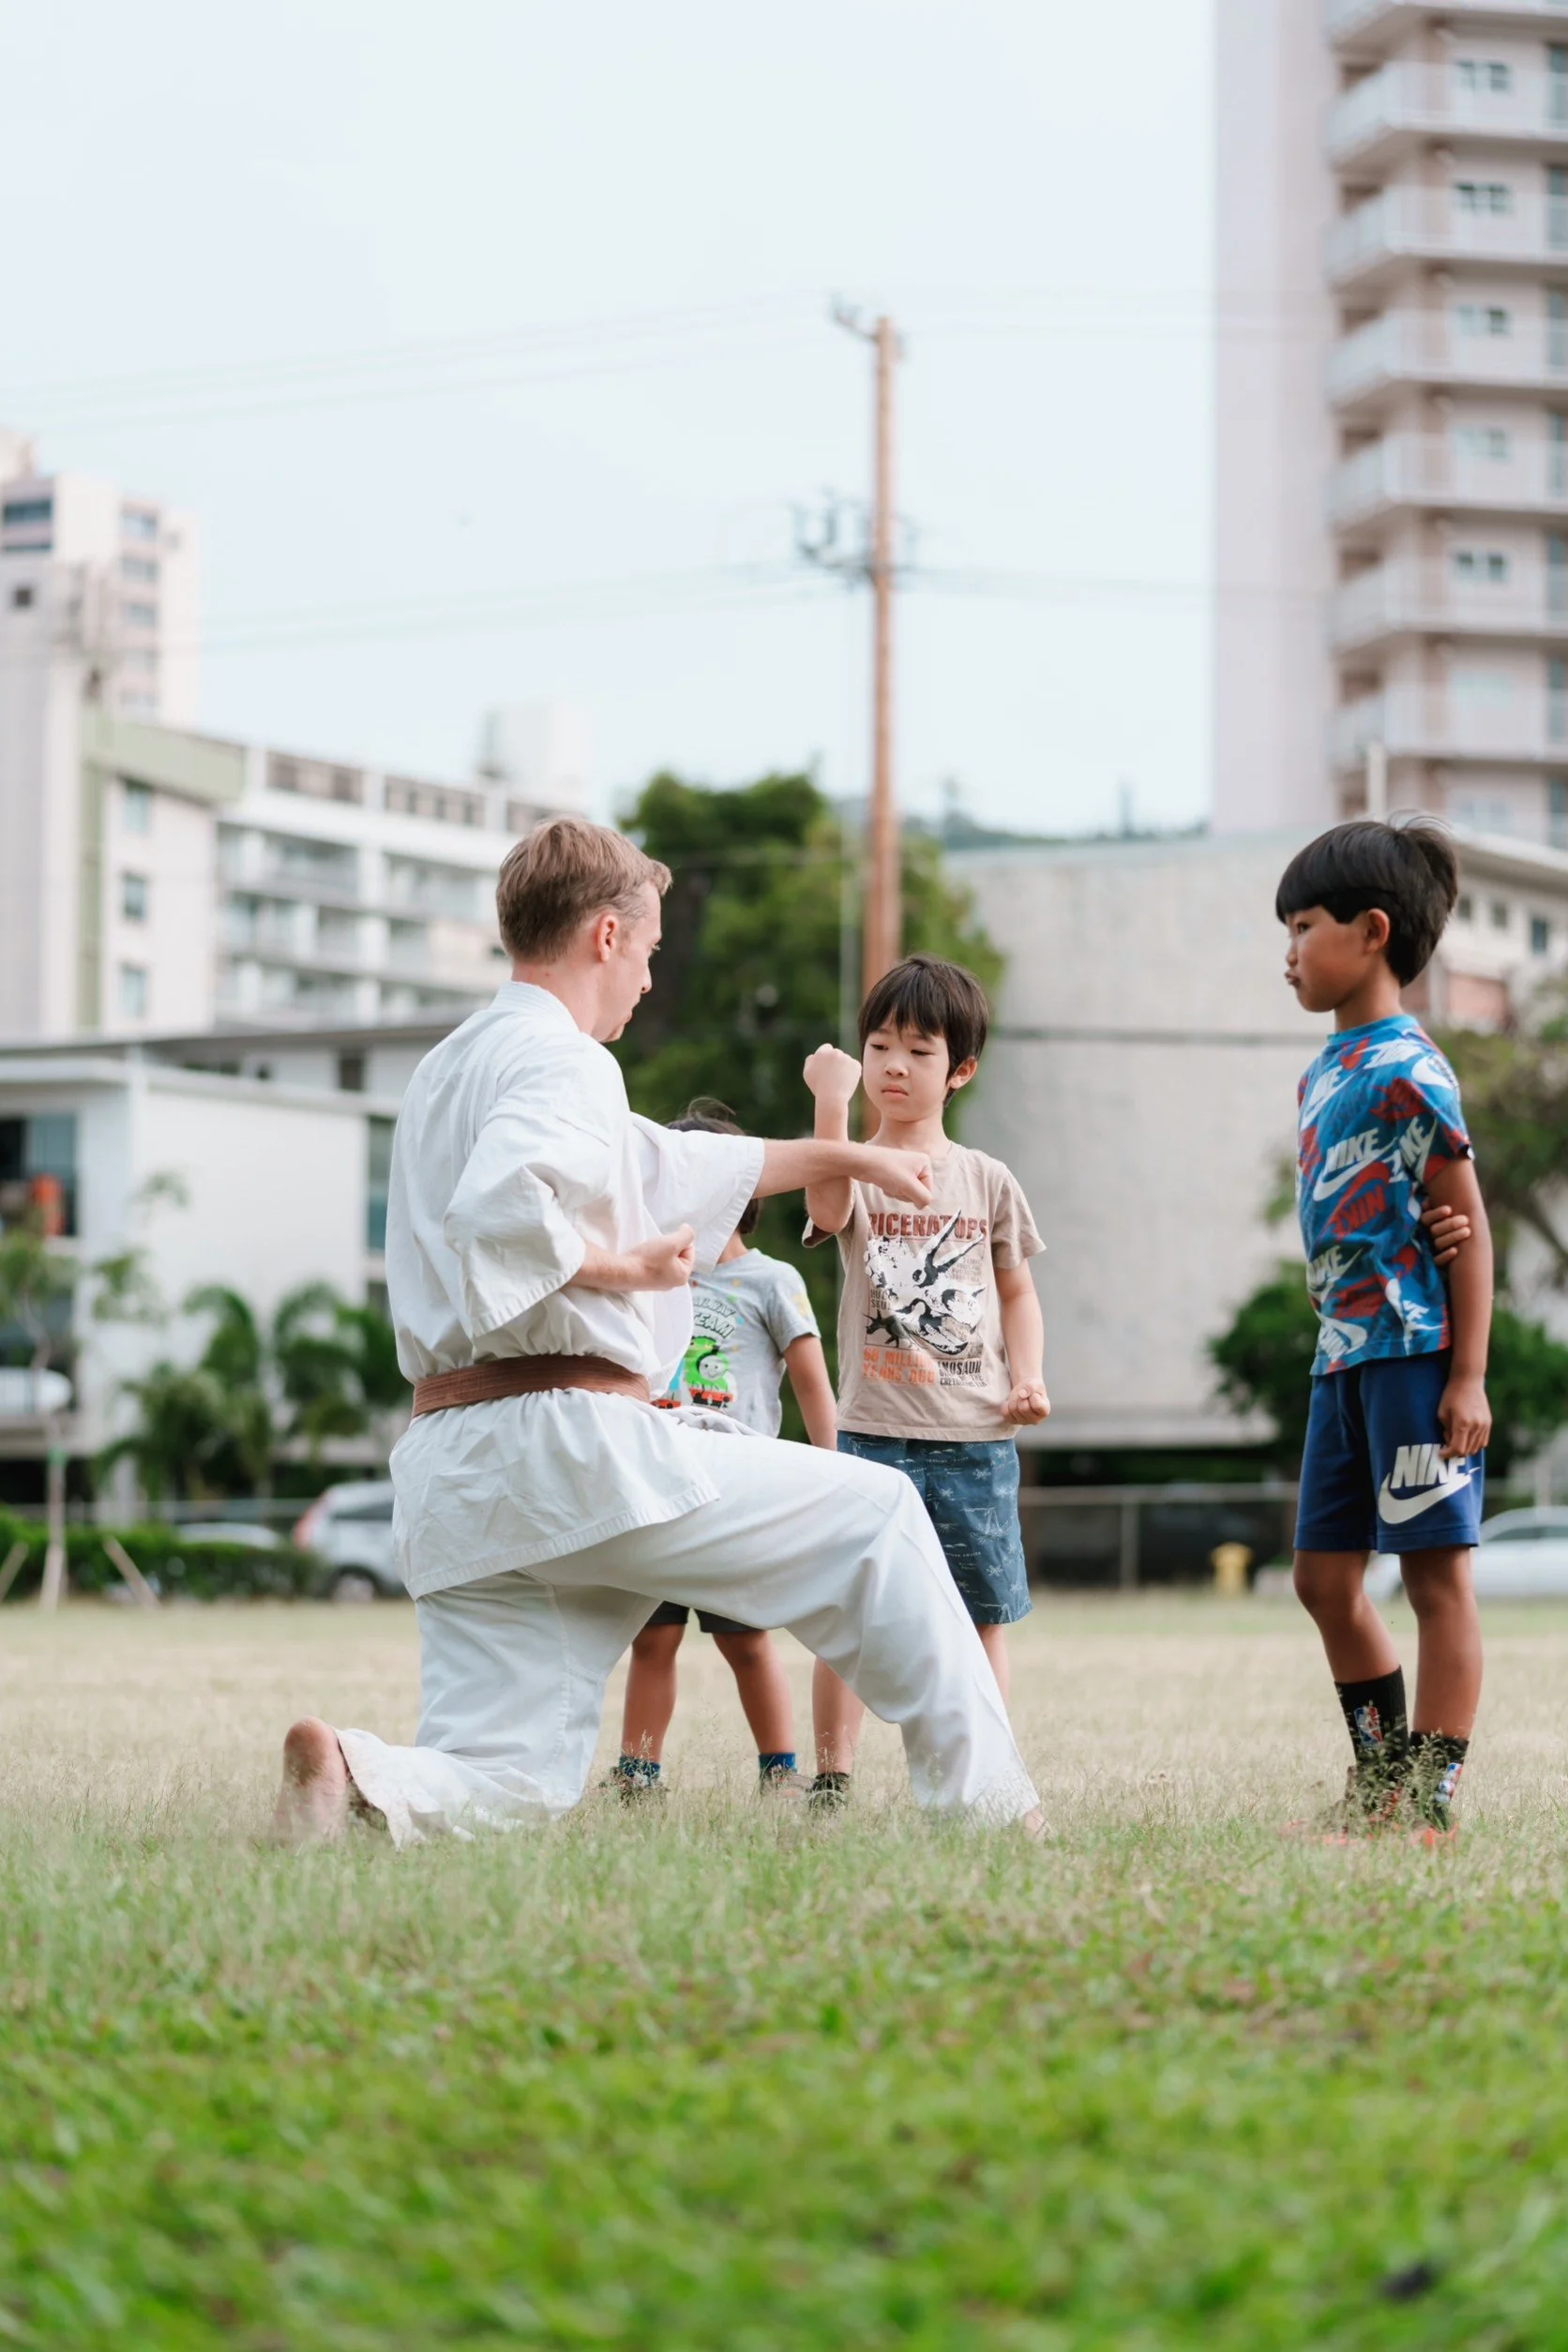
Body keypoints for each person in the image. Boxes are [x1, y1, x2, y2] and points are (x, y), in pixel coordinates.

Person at [270, 819, 1041, 1845]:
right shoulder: (565, 1063)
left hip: (458, 1475)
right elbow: (499, 1213)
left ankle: (358, 1778)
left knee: (510, 1772)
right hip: (568, 1447)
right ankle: (990, 1816)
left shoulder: (453, 1067)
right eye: (647, 951)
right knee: (880, 1516)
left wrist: (846, 1162)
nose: (645, 977)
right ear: (602, 935)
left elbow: (668, 1169)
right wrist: (617, 1268)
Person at [1278, 818, 1493, 1839]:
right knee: (1321, 1579)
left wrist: (1469, 1379)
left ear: (1370, 932)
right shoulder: (1322, 1069)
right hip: (1341, 1362)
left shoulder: (1413, 1068)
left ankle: (1429, 1799)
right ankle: (1378, 1785)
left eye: (1302, 926)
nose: (1286, 951)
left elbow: (1471, 1227)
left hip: (1414, 1357)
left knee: (1432, 1579)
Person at [801, 954, 1049, 1810]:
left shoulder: (986, 1179)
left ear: (961, 1070)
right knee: (854, 1617)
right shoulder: (855, 1165)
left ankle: (987, 1777)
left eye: (918, 1050)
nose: (894, 1066)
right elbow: (828, 1212)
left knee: (981, 1614)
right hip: (873, 1431)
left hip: (977, 1434)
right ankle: (831, 1781)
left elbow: (1017, 1290)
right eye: (878, 1047)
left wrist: (1031, 1378)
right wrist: (832, 1106)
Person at [613, 1102, 837, 1800]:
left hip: (734, 1490)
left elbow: (811, 1385)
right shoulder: (648, 1275)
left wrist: (834, 1475)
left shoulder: (773, 1283)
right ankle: (637, 1776)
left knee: (746, 1640)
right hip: (656, 1481)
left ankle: (781, 1773)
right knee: (652, 1639)